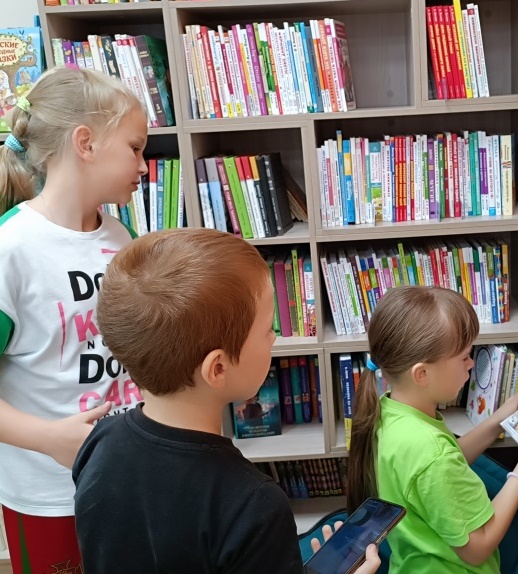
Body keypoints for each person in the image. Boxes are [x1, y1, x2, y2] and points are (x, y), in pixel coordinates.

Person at [73, 228, 380, 574]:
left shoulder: (99, 440)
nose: (274, 338)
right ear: (217, 368)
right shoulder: (253, 504)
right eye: (267, 329)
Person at [0, 66, 148, 574]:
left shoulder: (121, 238)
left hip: (125, 477)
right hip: (48, 496)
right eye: (135, 148)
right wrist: (48, 438)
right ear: (85, 143)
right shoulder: (11, 249)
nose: (143, 166)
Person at [347, 286, 518, 574]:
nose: (471, 363)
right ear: (422, 374)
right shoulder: (432, 454)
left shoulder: (391, 411)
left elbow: (448, 459)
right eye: (464, 357)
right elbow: (479, 547)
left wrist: (501, 417)